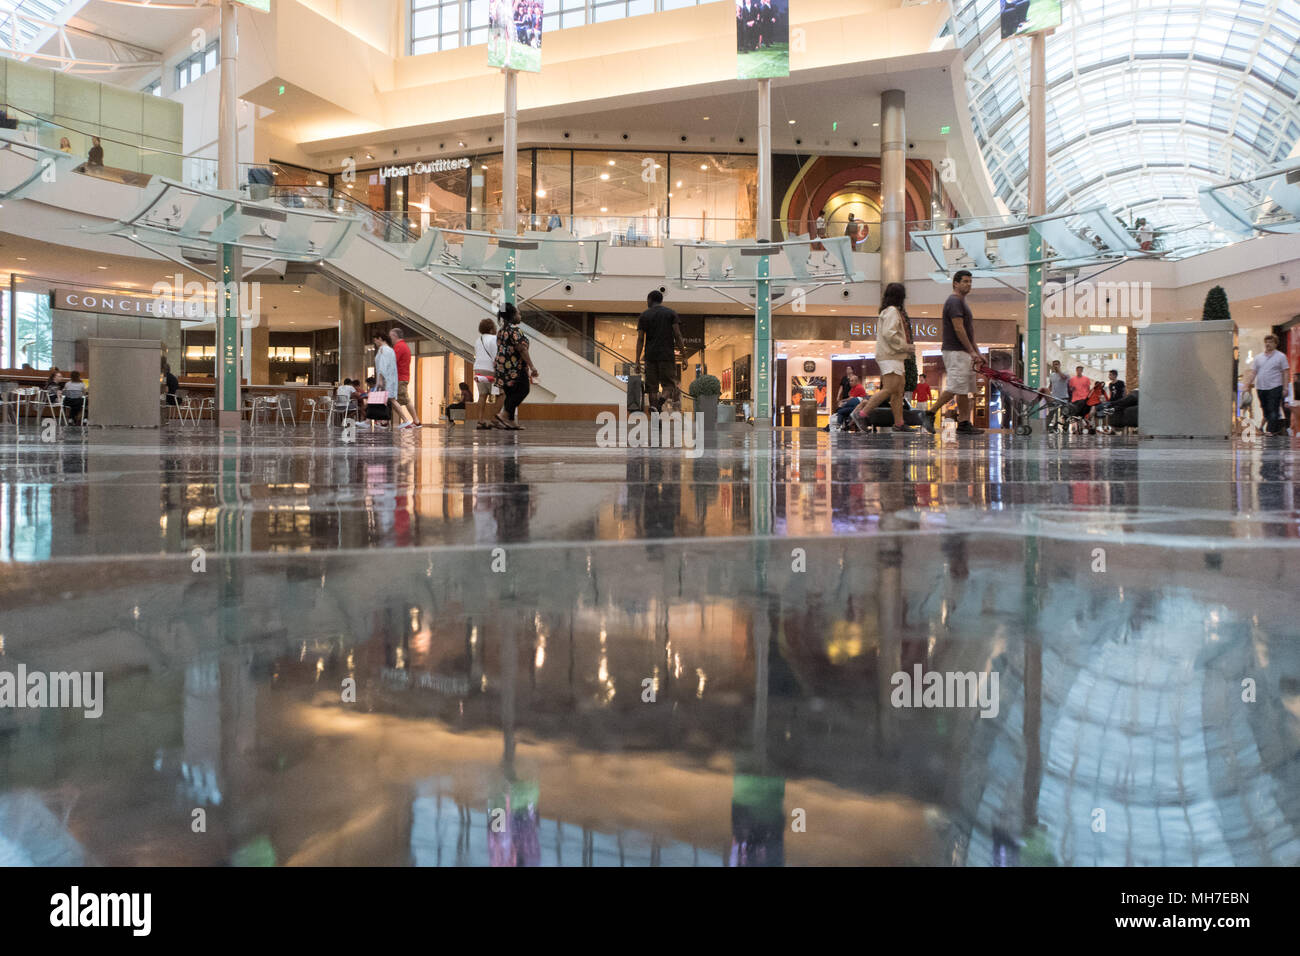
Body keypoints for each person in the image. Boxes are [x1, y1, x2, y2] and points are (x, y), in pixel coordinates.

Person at [851, 282, 918, 433]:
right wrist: (905, 346)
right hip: (891, 356)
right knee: (889, 389)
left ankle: (899, 423)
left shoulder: (888, 311)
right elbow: (889, 333)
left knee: (897, 391)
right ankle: (861, 414)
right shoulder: (892, 311)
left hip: (894, 356)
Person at [931, 270, 983, 434]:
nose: (968, 284)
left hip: (962, 351)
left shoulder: (961, 302)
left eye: (970, 281)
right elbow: (959, 329)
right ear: (955, 283)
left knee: (964, 388)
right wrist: (972, 351)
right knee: (956, 386)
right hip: (955, 350)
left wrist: (977, 352)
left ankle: (964, 422)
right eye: (965, 281)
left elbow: (969, 331)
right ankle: (929, 413)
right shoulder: (954, 302)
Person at [635, 289, 686, 412]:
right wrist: (684, 356)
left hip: (650, 356)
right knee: (669, 385)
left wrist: (637, 360)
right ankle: (660, 404)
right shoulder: (670, 314)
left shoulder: (644, 315)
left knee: (652, 388)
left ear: (649, 300)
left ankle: (654, 414)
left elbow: (641, 339)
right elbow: (678, 335)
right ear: (661, 300)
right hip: (667, 356)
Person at [493, 303, 538, 430]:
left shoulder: (501, 331)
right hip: (515, 368)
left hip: (502, 368)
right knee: (524, 390)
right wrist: (532, 366)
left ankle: (510, 421)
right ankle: (505, 414)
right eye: (518, 313)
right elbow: (522, 349)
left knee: (511, 393)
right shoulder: (515, 331)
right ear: (512, 315)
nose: (520, 315)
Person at [1245, 334, 1290, 437]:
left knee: (1273, 408)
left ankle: (1271, 430)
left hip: (1275, 386)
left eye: (1270, 342)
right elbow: (1253, 372)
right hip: (1261, 387)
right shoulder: (1258, 358)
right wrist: (1247, 384)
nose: (1267, 344)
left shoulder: (1281, 356)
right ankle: (1275, 428)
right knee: (1265, 410)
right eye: (1266, 342)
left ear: (1275, 344)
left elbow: (1285, 372)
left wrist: (1285, 387)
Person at [389, 327, 420, 427]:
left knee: (398, 399)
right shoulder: (404, 346)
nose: (390, 339)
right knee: (403, 399)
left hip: (399, 377)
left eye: (390, 336)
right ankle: (414, 420)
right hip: (403, 376)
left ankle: (410, 421)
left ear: (395, 336)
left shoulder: (399, 346)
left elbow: (392, 362)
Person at [473, 317, 499, 430]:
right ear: (491, 329)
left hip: (478, 368)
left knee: (482, 395)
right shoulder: (494, 338)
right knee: (498, 395)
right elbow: (495, 355)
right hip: (491, 369)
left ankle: (480, 420)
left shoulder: (478, 340)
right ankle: (494, 419)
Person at [371, 331, 400, 429]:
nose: (375, 342)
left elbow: (382, 366)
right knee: (385, 400)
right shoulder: (389, 350)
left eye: (375, 340)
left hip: (385, 379)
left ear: (380, 338)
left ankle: (381, 421)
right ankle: (382, 421)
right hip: (388, 379)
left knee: (382, 400)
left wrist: (380, 379)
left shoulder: (383, 349)